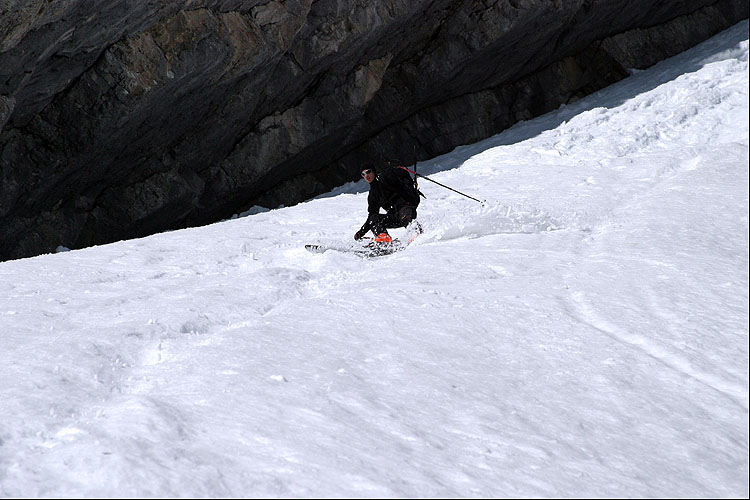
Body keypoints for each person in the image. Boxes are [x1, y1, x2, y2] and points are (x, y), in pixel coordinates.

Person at [354, 163, 422, 242]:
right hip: (395, 216)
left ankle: (416, 232)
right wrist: (361, 232)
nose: (366, 176)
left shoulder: (385, 178)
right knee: (374, 220)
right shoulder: (373, 194)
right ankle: (383, 238)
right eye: (363, 174)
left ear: (374, 172)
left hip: (405, 207)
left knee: (405, 216)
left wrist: (399, 170)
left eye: (368, 172)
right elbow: (372, 215)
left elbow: (400, 173)